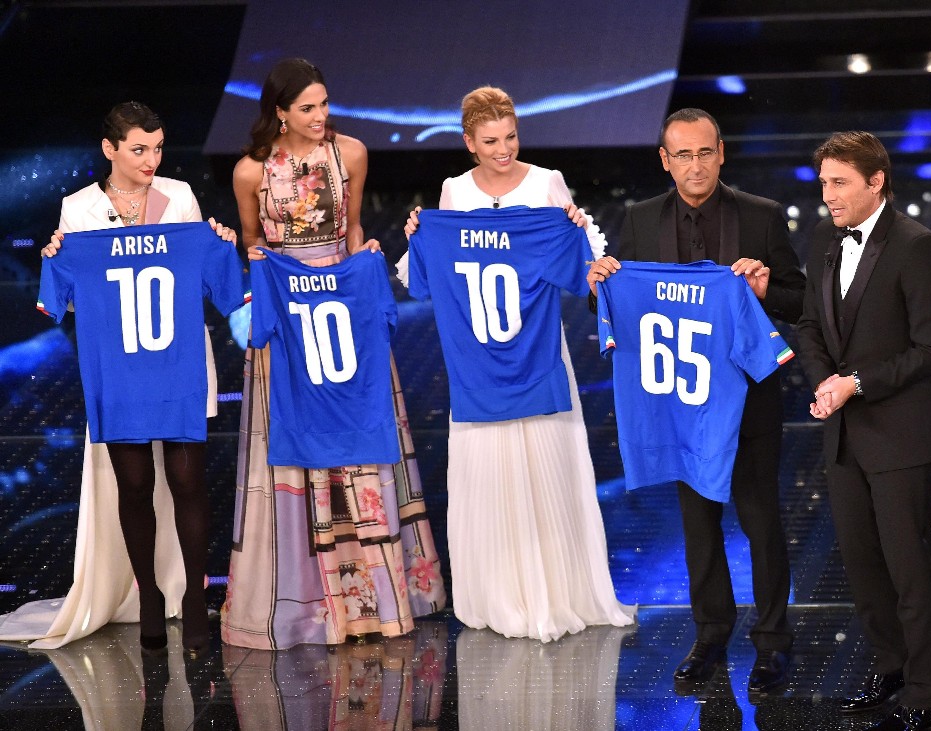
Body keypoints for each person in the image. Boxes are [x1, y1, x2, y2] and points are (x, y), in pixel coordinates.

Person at [0, 101, 237, 655]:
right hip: (120, 369)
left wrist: (219, 243)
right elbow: (72, 303)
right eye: (139, 149)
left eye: (158, 148)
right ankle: (148, 595)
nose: (151, 159)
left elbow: (203, 277)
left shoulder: (180, 196)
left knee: (187, 483)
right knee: (134, 486)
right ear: (109, 150)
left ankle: (194, 598)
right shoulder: (78, 209)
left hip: (179, 363)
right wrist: (57, 257)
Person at [223, 57, 445, 650]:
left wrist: (362, 262)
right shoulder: (251, 171)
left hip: (344, 312)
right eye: (307, 108)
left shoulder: (350, 154)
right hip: (289, 320)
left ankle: (377, 599)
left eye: (324, 104)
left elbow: (351, 230)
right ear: (280, 112)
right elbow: (253, 242)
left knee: (359, 432)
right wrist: (268, 271)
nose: (320, 116)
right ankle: (308, 603)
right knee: (294, 440)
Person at [399, 86, 634, 642]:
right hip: (478, 371)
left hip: (539, 359)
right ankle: (501, 594)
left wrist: (577, 230)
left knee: (550, 473)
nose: (503, 149)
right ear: (469, 142)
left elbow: (585, 273)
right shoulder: (453, 192)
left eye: (510, 137)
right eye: (490, 141)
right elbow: (424, 278)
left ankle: (558, 592)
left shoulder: (546, 182)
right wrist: (418, 236)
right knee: (490, 480)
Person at [588, 108, 805, 692]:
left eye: (705, 152)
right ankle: (711, 635)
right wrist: (599, 283)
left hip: (748, 401)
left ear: (721, 152)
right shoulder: (641, 220)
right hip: (681, 404)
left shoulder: (760, 216)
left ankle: (773, 642)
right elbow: (615, 305)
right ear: (665, 160)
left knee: (761, 521)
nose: (696, 165)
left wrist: (765, 289)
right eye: (683, 155)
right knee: (699, 526)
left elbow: (799, 299)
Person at [796, 131, 931, 730]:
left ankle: (925, 692)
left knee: (908, 570)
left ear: (876, 181)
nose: (828, 195)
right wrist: (824, 383)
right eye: (824, 183)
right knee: (863, 567)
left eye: (840, 183)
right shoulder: (823, 238)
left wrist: (855, 383)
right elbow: (811, 325)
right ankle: (890, 667)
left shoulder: (916, 246)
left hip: (900, 440)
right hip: (843, 438)